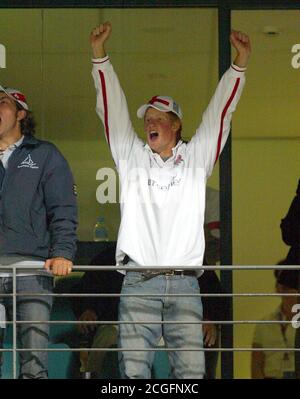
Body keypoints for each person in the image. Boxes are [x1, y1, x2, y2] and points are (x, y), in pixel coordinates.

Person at [90, 22, 250, 379]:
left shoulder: (196, 158)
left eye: (160, 119)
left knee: (191, 373)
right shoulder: (131, 157)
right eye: (148, 119)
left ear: (176, 125)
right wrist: (100, 57)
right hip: (138, 281)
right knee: (132, 373)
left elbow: (220, 114)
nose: (152, 123)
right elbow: (111, 110)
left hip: (184, 284)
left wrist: (239, 65)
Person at [0, 86, 77, 378]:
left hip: (32, 271)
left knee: (34, 364)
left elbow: (64, 208)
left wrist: (62, 253)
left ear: (21, 113)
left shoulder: (45, 154)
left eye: (3, 103)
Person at [71, 244, 123, 378]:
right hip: (113, 323)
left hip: (153, 323)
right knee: (109, 335)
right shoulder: (108, 257)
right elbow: (89, 288)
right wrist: (89, 309)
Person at [251, 270, 298, 379]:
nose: (287, 290)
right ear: (277, 288)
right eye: (283, 285)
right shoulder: (263, 325)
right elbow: (256, 365)